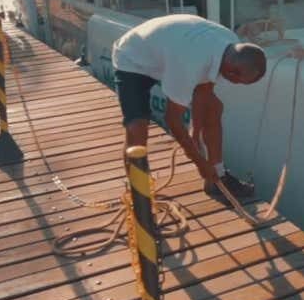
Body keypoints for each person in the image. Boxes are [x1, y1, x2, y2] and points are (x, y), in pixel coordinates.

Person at [112, 14, 265, 199]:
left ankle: (217, 178)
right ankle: (139, 199)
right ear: (231, 71)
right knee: (137, 128)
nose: (236, 85)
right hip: (133, 58)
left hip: (167, 51)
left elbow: (205, 91)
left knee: (214, 107)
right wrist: (199, 162)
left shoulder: (231, 46)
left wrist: (196, 128)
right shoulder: (189, 63)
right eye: (238, 82)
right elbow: (172, 119)